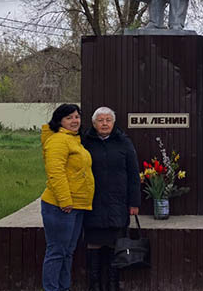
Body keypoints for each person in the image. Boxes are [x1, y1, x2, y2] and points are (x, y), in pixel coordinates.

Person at [82, 107, 141, 291]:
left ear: (114, 123)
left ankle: (113, 285)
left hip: (117, 203)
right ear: (94, 123)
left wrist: (134, 203)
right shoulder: (85, 142)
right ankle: (94, 286)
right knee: (94, 246)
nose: (105, 123)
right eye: (100, 120)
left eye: (108, 120)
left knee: (115, 245)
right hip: (92, 203)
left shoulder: (124, 142)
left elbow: (133, 174)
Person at [40, 103, 95, 291]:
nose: (74, 121)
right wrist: (65, 201)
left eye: (77, 117)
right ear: (59, 121)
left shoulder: (73, 140)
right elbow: (55, 173)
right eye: (69, 117)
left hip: (77, 205)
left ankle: (63, 288)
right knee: (56, 251)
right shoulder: (58, 141)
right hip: (60, 206)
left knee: (67, 252)